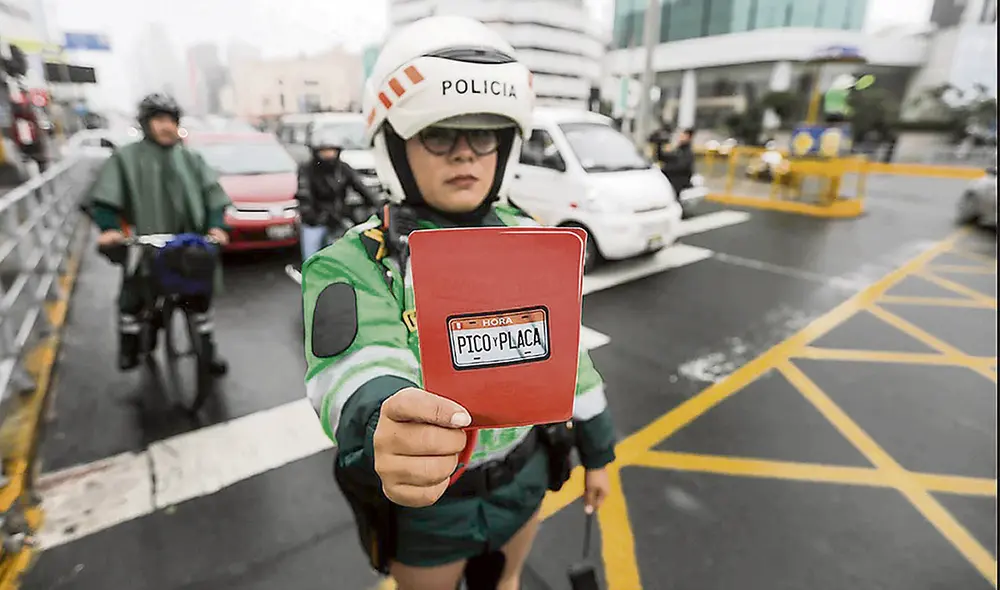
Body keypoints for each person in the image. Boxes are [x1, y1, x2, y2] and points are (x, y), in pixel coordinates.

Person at [301, 16, 616, 590]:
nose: (465, 155)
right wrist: (384, 418)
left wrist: (598, 454)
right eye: (439, 135)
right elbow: (355, 370)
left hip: (524, 480)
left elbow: (572, 362)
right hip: (430, 508)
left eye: (484, 135)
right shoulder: (352, 262)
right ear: (396, 145)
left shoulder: (533, 239)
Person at [82, 93, 232, 374]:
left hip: (188, 246)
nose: (166, 126)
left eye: (171, 120)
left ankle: (207, 352)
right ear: (146, 123)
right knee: (133, 296)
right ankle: (131, 346)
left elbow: (214, 196)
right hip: (146, 246)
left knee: (201, 301)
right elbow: (105, 200)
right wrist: (110, 230)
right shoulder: (126, 158)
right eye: (159, 120)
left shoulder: (191, 158)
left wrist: (216, 227)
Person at [296, 127, 380, 261]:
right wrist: (313, 216)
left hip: (338, 218)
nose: (329, 155)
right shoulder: (307, 170)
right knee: (311, 257)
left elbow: (361, 187)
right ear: (316, 152)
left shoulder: (343, 168)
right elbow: (304, 194)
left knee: (346, 255)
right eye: (324, 151)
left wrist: (377, 205)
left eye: (332, 150)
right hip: (314, 221)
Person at [660, 127, 695, 194]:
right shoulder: (678, 150)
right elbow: (664, 158)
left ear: (689, 138)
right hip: (671, 181)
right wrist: (660, 145)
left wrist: (665, 169)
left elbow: (680, 166)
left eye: (684, 136)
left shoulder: (687, 153)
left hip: (679, 183)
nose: (680, 138)